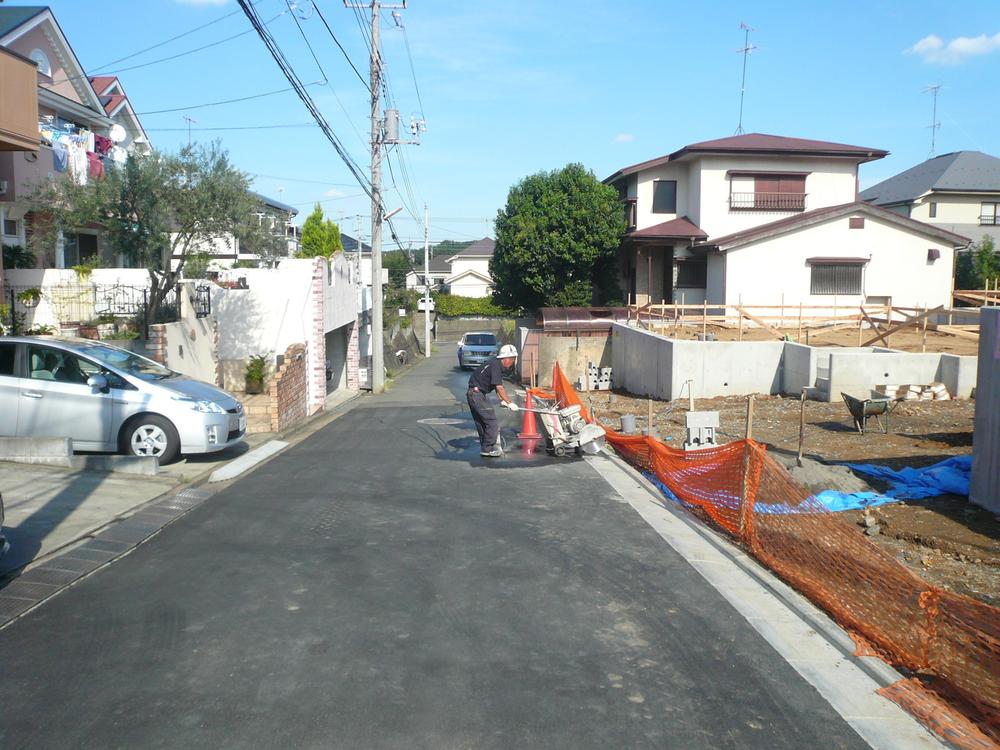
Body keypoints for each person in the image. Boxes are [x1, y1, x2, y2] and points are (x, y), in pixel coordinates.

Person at [467, 344, 519, 457]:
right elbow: (499, 387)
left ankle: (485, 446)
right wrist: (510, 402)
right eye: (512, 359)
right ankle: (487, 448)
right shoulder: (496, 366)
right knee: (491, 422)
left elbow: (496, 386)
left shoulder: (494, 363)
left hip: (473, 393)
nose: (512, 363)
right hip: (477, 395)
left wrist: (502, 400)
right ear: (507, 359)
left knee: (482, 422)